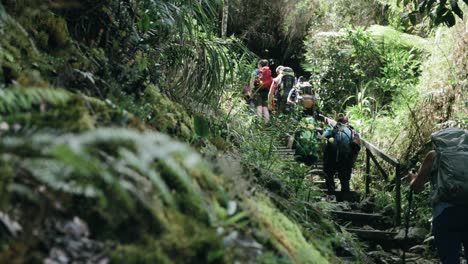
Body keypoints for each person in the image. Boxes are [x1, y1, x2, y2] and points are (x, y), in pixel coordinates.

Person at [408, 128, 468, 264]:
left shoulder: (434, 155)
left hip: (445, 214)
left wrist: (412, 178)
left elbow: (417, 187)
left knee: (450, 259)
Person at [322, 113, 357, 194]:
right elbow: (356, 144)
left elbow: (322, 137)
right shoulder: (352, 130)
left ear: (337, 121)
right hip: (346, 158)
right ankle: (345, 198)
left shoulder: (332, 129)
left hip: (331, 158)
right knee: (345, 179)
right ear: (346, 121)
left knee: (329, 174)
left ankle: (331, 195)